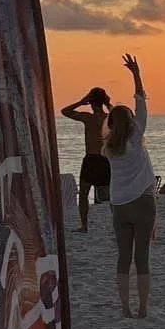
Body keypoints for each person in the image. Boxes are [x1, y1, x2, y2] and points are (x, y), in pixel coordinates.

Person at [104, 54, 157, 319]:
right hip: (143, 202)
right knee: (142, 257)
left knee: (123, 258)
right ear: (132, 122)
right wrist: (136, 73)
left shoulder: (109, 146)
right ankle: (143, 308)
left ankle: (125, 307)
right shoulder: (136, 138)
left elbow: (120, 118)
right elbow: (141, 101)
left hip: (120, 204)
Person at [60, 86, 114, 233]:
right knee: (110, 195)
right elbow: (120, 116)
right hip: (100, 159)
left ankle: (85, 226)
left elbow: (65, 111)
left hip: (95, 158)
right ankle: (111, 224)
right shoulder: (106, 118)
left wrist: (80, 102)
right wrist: (108, 104)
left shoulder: (90, 118)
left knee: (87, 194)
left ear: (91, 102)